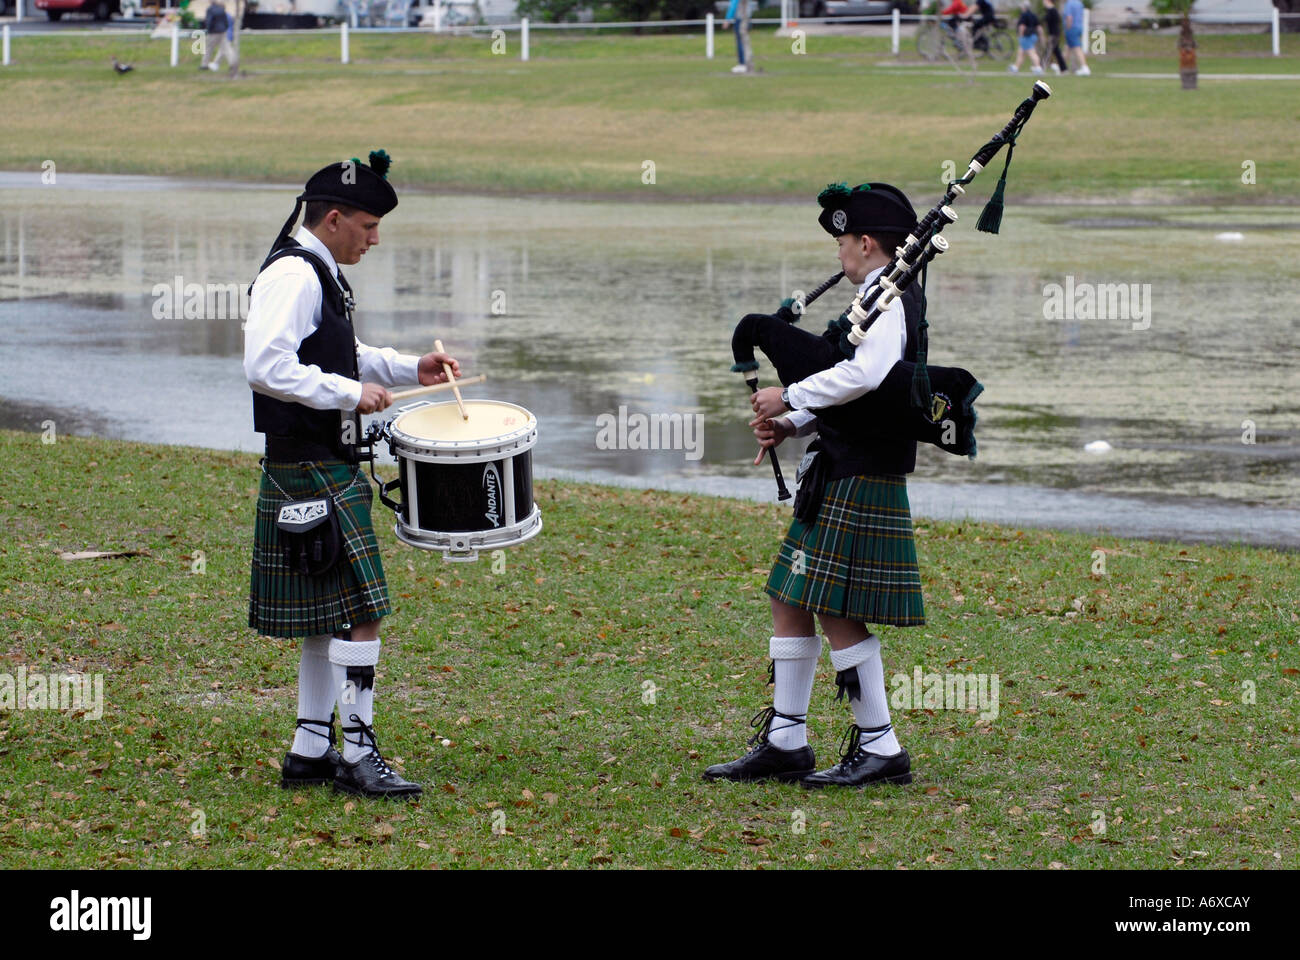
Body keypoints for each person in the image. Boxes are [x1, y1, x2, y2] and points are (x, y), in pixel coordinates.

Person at [245, 149, 461, 799]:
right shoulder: (295, 275)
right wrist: (347, 394)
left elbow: (341, 350)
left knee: (322, 615)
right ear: (333, 218)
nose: (374, 239)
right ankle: (358, 753)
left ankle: (311, 749)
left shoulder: (319, 269)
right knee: (361, 612)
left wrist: (403, 370)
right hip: (310, 463)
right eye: (367, 227)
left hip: (315, 464)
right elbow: (265, 364)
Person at [704, 182, 926, 789]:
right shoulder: (875, 294)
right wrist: (791, 422)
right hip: (839, 462)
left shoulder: (894, 297)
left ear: (867, 241)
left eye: (842, 241)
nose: (838, 255)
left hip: (864, 470)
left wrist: (790, 394)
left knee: (835, 609)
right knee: (790, 596)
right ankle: (785, 740)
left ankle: (881, 745)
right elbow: (849, 387)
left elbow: (868, 374)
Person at [1008, 1, 1044, 74]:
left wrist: (1020, 36)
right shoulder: (1033, 15)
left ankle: (1038, 67)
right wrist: (1041, 36)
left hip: (1026, 36)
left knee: (1031, 52)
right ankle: (1016, 67)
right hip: (1034, 36)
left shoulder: (1023, 15)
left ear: (1024, 7)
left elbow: (1022, 27)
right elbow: (1039, 27)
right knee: (1021, 52)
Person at [201, 1, 234, 71]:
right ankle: (233, 64)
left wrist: (209, 30)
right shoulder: (222, 10)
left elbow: (209, 21)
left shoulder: (210, 9)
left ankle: (204, 65)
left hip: (213, 32)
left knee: (209, 48)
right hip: (223, 32)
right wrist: (224, 28)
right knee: (227, 48)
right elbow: (226, 22)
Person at [726, 0, 754, 74]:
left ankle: (742, 64)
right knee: (746, 42)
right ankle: (748, 64)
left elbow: (733, 6)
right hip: (747, 18)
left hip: (741, 19)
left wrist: (728, 19)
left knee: (741, 42)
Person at [1063, 0, 1090, 75]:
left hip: (1072, 27)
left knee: (1077, 47)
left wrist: (1067, 28)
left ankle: (1084, 67)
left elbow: (1069, 17)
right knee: (1067, 47)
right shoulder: (1079, 3)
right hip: (1079, 26)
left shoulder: (1069, 3)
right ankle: (1062, 67)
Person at [1041, 0, 1067, 75]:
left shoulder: (1052, 11)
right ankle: (1063, 68)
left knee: (1048, 51)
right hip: (1053, 34)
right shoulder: (1049, 10)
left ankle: (1042, 67)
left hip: (1054, 34)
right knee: (1056, 51)